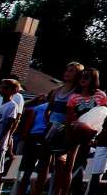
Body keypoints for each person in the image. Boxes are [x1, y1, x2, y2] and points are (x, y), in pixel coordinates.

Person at [53, 67, 107, 195]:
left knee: (76, 165)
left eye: (87, 77)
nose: (83, 79)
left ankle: (72, 190)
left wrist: (95, 135)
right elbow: (68, 118)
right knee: (65, 166)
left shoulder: (100, 95)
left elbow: (104, 115)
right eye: (81, 76)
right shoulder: (74, 96)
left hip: (89, 132)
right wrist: (67, 135)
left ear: (93, 79)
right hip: (73, 133)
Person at [31, 62, 83, 195]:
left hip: (65, 130)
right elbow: (48, 110)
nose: (67, 73)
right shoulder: (57, 90)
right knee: (43, 163)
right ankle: (38, 191)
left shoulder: (78, 92)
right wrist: (50, 124)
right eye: (67, 70)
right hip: (51, 128)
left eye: (72, 71)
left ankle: (58, 192)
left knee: (61, 165)